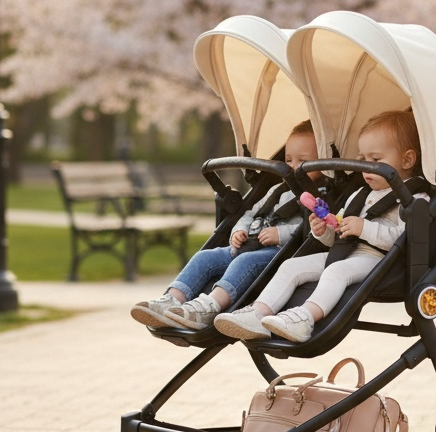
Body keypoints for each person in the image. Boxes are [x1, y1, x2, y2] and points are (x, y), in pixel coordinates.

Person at [214, 110, 428, 344]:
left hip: (379, 259)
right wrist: (325, 230)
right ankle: (258, 313)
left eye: (376, 161)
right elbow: (338, 235)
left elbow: (405, 238)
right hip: (344, 252)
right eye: (364, 160)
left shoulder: (415, 199)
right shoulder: (360, 194)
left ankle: (305, 319)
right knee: (291, 265)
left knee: (336, 272)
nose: (368, 168)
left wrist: (363, 228)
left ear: (407, 160)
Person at [129, 120, 319, 331]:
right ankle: (172, 299)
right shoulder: (276, 191)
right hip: (248, 243)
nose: (291, 167)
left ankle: (211, 305)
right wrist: (239, 230)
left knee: (245, 261)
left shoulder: (320, 196)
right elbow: (250, 214)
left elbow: (311, 228)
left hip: (276, 253)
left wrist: (280, 234)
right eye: (288, 160)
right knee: (205, 257)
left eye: (302, 161)